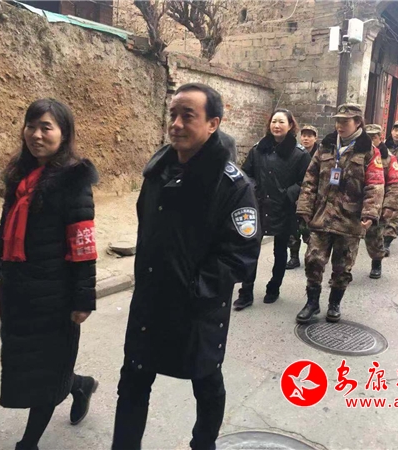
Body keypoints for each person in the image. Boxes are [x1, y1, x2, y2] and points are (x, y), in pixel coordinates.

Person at [112, 83, 261, 450]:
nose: (176, 124)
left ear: (213, 123)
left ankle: (203, 444)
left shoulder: (234, 186)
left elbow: (240, 255)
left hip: (197, 310)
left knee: (206, 382)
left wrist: (194, 288)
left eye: (187, 116)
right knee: (132, 382)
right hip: (150, 303)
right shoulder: (158, 171)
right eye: (173, 115)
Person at [0, 98, 99, 450]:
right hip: (18, 293)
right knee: (32, 366)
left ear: (64, 134)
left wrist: (83, 298)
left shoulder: (73, 180)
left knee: (45, 372)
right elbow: (5, 231)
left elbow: (83, 245)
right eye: (31, 126)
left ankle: (27, 444)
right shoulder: (19, 176)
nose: (37, 135)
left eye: (47, 127)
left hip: (55, 297)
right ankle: (80, 385)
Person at [295, 104, 384, 323]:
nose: (339, 126)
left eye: (345, 121)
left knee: (343, 266)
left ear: (358, 122)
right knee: (313, 260)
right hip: (322, 215)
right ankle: (312, 303)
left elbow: (375, 184)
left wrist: (370, 213)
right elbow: (310, 179)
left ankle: (334, 304)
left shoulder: (368, 150)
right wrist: (304, 207)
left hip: (350, 218)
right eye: (337, 121)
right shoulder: (326, 146)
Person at [233, 109, 311, 310]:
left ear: (290, 125)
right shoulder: (258, 149)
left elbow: (306, 182)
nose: (277, 125)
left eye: (281, 122)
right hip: (258, 206)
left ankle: (274, 287)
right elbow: (246, 173)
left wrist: (287, 194)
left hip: (284, 208)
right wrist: (253, 190)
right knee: (250, 249)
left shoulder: (300, 154)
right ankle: (246, 292)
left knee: (280, 250)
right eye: (274, 121)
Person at [363, 124, 398, 279]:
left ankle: (376, 263)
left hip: (378, 202)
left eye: (374, 137)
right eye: (368, 137)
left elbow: (395, 184)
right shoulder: (358, 154)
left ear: (380, 138)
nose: (371, 140)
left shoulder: (389, 158)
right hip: (358, 200)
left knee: (375, 236)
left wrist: (389, 205)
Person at [287, 124, 319, 270]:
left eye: (309, 136)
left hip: (312, 198)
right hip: (295, 196)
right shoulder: (294, 153)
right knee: (293, 228)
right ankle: (294, 257)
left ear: (315, 138)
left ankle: (312, 258)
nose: (306, 139)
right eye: (304, 135)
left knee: (309, 230)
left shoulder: (320, 155)